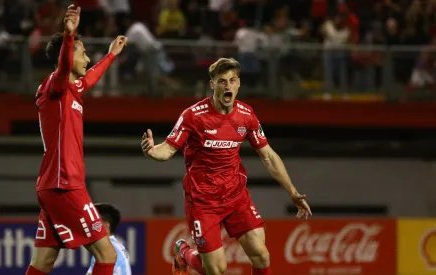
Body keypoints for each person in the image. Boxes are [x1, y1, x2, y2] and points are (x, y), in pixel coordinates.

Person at [140, 58, 312, 275]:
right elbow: (167, 150)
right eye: (222, 81)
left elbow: (268, 156)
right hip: (203, 202)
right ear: (212, 85)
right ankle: (183, 252)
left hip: (235, 196)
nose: (228, 86)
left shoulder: (247, 115)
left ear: (239, 83)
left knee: (261, 255)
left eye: (232, 80)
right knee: (216, 270)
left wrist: (293, 192)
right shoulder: (193, 116)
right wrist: (151, 151)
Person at [25, 5, 127, 275]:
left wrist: (110, 56)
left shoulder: (71, 89)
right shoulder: (55, 86)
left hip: (52, 186)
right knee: (107, 254)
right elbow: (64, 68)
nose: (88, 58)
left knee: (42, 262)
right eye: (83, 53)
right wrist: (69, 38)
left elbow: (89, 79)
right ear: (68, 56)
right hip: (64, 185)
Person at [86, 203, 131, 275]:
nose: (89, 227)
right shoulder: (117, 246)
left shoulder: (104, 250)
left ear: (106, 226)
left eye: (94, 223)